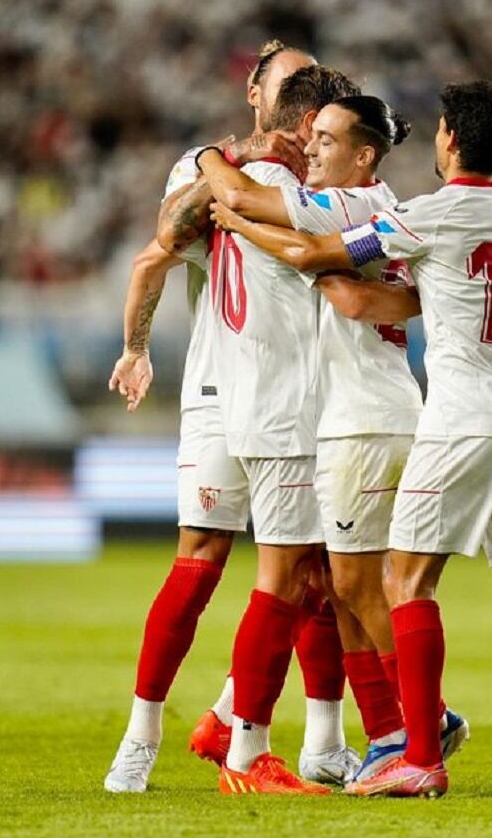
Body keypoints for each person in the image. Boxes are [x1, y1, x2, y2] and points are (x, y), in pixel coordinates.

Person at [210, 80, 492, 799]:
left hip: (458, 417)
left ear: (450, 140)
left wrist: (236, 218)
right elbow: (403, 292)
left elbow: (322, 263)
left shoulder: (424, 217)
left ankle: (422, 744)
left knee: (398, 583)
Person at [103, 42, 357, 793]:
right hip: (226, 389)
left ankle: (310, 737)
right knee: (212, 559)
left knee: (311, 568)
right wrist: (136, 346)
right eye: (287, 79)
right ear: (257, 92)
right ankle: (147, 734)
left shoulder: (322, 166)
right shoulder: (201, 164)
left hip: (303, 390)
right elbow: (162, 241)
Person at [197, 94, 470, 782]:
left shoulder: (358, 206)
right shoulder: (382, 210)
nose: (312, 150)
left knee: (358, 585)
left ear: (364, 155)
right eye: (311, 137)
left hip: (367, 419)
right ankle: (385, 734)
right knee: (347, 583)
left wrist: (212, 172)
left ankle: (427, 721)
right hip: (365, 414)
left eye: (325, 139)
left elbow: (293, 239)